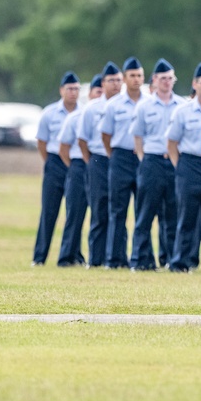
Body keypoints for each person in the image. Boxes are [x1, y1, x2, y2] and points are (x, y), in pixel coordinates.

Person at [130, 59, 181, 270]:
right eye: (163, 78)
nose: (167, 82)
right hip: (151, 160)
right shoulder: (145, 106)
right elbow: (137, 137)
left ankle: (170, 259)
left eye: (170, 78)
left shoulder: (182, 105)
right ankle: (140, 259)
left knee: (172, 213)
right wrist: (144, 158)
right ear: (154, 80)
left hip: (173, 162)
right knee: (145, 213)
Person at [167, 63, 201, 272]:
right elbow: (171, 143)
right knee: (187, 216)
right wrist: (181, 168)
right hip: (189, 163)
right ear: (195, 84)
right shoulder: (183, 111)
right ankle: (181, 261)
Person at [100, 56, 145, 269]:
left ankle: (138, 257)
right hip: (120, 158)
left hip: (143, 159)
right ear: (125, 78)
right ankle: (114, 258)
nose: (136, 79)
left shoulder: (149, 101)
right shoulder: (113, 105)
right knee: (118, 210)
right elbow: (106, 136)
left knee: (142, 210)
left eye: (139, 76)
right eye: (132, 76)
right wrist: (114, 155)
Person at [32, 71, 80, 266]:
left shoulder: (83, 113)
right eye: (69, 89)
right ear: (61, 90)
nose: (73, 93)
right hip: (54, 164)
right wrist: (51, 163)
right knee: (49, 211)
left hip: (75, 163)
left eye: (76, 89)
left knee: (75, 211)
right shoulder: (49, 113)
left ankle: (70, 256)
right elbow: (42, 143)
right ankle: (39, 256)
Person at [77, 61, 122, 268]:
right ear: (103, 83)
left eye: (118, 80)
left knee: (119, 210)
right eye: (111, 80)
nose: (115, 84)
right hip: (98, 160)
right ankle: (96, 258)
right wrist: (91, 161)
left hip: (120, 161)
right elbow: (82, 139)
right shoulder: (92, 108)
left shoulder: (127, 106)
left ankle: (118, 257)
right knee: (99, 208)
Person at [55, 73, 101, 267]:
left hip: (99, 165)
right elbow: (63, 148)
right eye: (97, 92)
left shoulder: (107, 114)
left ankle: (95, 256)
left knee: (100, 213)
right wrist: (75, 167)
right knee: (75, 212)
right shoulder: (75, 117)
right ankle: (67, 255)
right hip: (79, 165)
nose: (100, 96)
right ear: (90, 94)